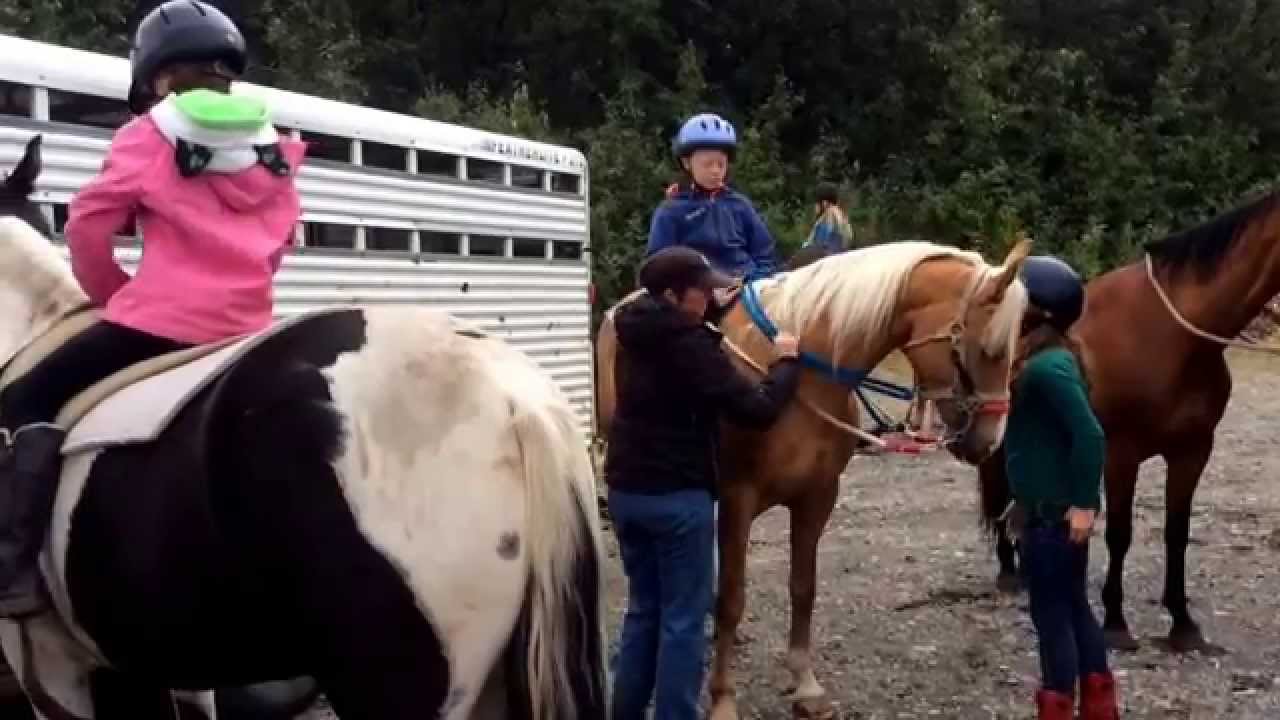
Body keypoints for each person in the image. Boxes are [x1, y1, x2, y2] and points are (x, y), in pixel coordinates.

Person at [0, 0, 306, 617]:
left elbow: (89, 228)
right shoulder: (273, 146)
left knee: (22, 399)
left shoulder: (149, 133)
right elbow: (279, 244)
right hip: (247, 333)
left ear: (157, 77)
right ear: (227, 74)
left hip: (159, 327)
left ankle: (11, 569)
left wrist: (116, 296)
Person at [605, 246, 801, 720]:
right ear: (675, 295)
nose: (710, 296)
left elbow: (686, 323)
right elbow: (756, 409)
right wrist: (785, 364)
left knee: (644, 611)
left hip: (627, 492)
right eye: (702, 290)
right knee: (683, 621)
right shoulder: (690, 347)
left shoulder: (634, 329)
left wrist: (711, 308)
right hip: (677, 498)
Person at [1004, 256, 1119, 720]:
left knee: (1052, 618)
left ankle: (1057, 708)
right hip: (1050, 511)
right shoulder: (1053, 358)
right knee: (1074, 606)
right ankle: (1099, 708)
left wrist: (1084, 504)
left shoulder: (1046, 369)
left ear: (1039, 313)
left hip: (1053, 518)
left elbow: (1090, 434)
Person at [646, 112, 779, 280]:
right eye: (707, 164)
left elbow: (765, 254)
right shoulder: (671, 211)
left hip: (746, 287)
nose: (715, 171)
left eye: (721, 164)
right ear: (687, 163)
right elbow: (658, 264)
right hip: (700, 292)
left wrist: (754, 281)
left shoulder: (740, 205)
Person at [803, 183, 854, 254]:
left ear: (824, 203)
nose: (815, 206)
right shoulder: (841, 217)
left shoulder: (828, 218)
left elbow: (819, 246)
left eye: (817, 202)